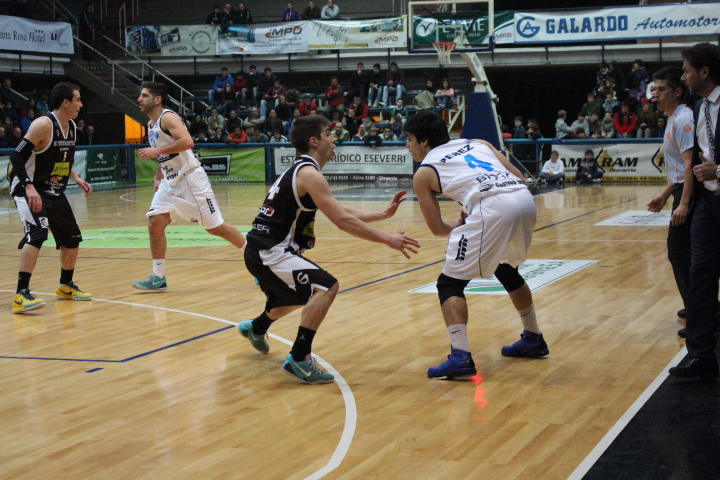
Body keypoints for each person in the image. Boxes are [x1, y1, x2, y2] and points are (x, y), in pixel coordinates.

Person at [239, 114, 419, 384]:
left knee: (296, 298)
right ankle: (299, 357)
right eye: (328, 134)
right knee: (326, 287)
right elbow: (342, 221)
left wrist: (382, 214)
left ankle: (256, 327)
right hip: (270, 252)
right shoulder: (309, 174)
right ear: (314, 141)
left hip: (262, 250)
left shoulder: (302, 170)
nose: (334, 139)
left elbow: (338, 208)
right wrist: (387, 239)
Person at [405, 110, 549, 380]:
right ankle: (533, 337)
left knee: (449, 283)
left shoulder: (424, 172)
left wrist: (460, 223)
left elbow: (437, 229)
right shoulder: (479, 143)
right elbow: (519, 176)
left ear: (424, 141)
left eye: (410, 139)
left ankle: (460, 356)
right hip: (523, 199)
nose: (407, 146)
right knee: (505, 268)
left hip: (492, 207)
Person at [132, 82, 246, 291]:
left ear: (157, 100)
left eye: (145, 95)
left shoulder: (168, 117)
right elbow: (167, 154)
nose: (139, 99)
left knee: (216, 228)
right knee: (155, 223)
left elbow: (187, 142)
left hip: (190, 180)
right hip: (170, 181)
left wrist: (156, 152)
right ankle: (158, 277)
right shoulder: (151, 124)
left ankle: (260, 263)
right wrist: (159, 176)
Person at [9, 82, 93, 313]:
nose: (81, 104)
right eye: (78, 99)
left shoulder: (71, 126)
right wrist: (28, 187)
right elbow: (16, 157)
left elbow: (62, 159)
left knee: (72, 238)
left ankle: (65, 286)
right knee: (37, 233)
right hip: (27, 187)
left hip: (52, 189)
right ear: (66, 102)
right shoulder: (43, 125)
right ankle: (21, 294)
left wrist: (75, 177)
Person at [669, 43, 720, 379]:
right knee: (700, 275)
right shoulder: (700, 108)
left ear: (704, 71)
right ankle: (701, 355)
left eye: (687, 70)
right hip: (709, 203)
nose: (684, 77)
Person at [646, 66, 695, 337]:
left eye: (661, 89)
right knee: (683, 254)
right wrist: (666, 193)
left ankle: (701, 314)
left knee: (680, 253)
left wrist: (683, 203)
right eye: (654, 89)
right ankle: (699, 307)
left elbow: (690, 165)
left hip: (691, 193)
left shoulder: (683, 119)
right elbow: (679, 169)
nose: (655, 94)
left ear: (677, 91)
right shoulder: (673, 118)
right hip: (680, 190)